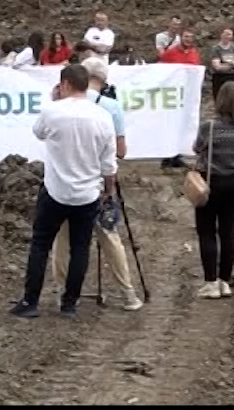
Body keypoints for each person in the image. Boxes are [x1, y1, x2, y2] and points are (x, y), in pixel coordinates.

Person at [10, 63, 117, 320]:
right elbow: (109, 164)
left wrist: (53, 101)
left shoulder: (52, 111)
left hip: (56, 189)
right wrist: (108, 192)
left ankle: (30, 300)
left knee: (40, 245)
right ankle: (70, 303)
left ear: (65, 84)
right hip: (87, 193)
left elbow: (38, 133)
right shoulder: (103, 116)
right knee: (80, 248)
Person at [79, 57, 142, 311]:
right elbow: (121, 151)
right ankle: (128, 292)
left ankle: (63, 290)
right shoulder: (111, 106)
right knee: (109, 234)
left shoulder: (63, 103)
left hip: (66, 180)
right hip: (98, 177)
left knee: (64, 238)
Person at [194, 82, 234, 298]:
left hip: (212, 182)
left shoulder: (209, 126)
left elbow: (197, 147)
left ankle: (210, 282)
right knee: (229, 231)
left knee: (207, 230)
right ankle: (224, 281)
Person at [207, 28, 234, 92]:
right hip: (220, 78)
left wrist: (229, 63)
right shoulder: (216, 49)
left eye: (229, 35)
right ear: (221, 35)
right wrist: (233, 64)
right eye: (226, 34)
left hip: (233, 77)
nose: (227, 36)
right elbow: (217, 67)